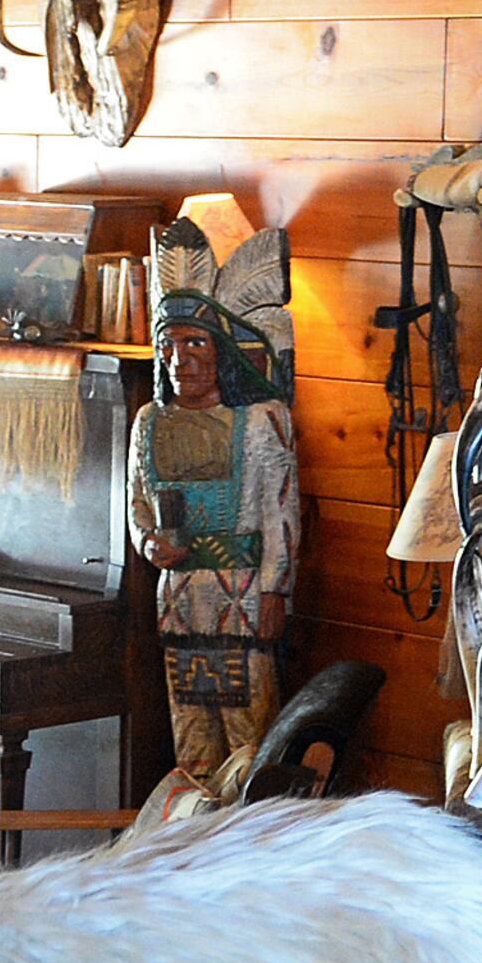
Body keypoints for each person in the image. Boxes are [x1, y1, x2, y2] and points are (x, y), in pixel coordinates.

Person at [131, 289, 301, 789]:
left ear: (222, 353)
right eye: (170, 346)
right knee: (192, 734)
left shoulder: (262, 421)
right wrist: (149, 544)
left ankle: (242, 836)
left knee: (247, 735)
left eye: (195, 344)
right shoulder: (149, 422)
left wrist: (275, 591)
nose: (180, 359)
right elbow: (138, 504)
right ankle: (196, 830)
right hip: (180, 600)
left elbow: (281, 513)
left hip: (243, 595)